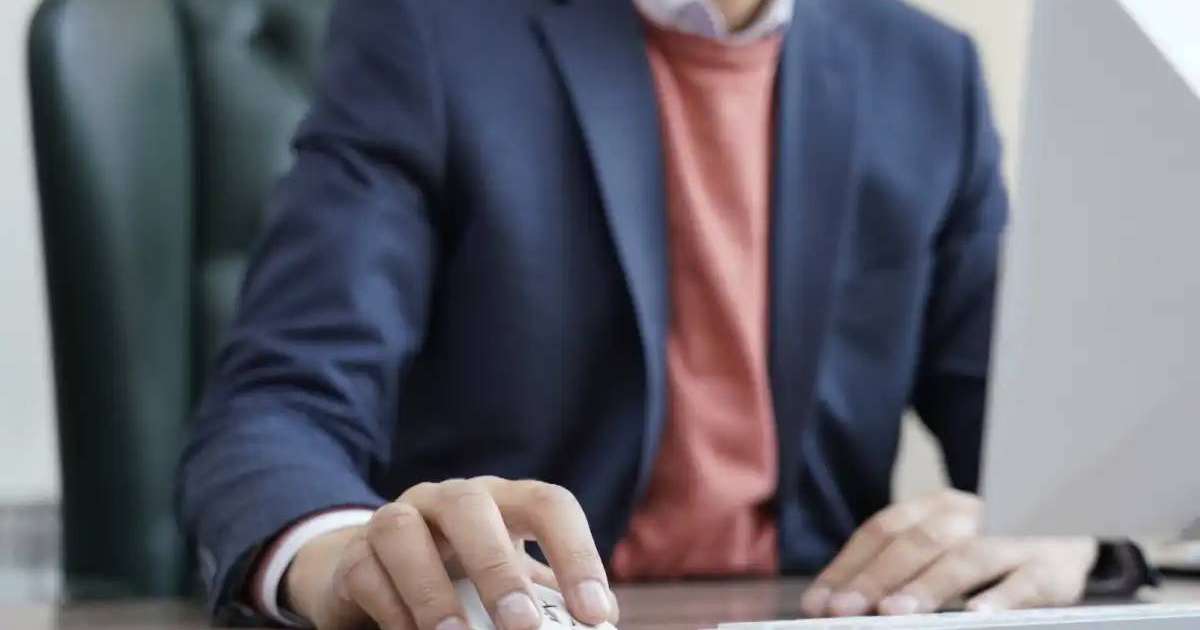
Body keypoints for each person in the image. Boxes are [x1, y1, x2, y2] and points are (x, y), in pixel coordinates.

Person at [177, 0, 1155, 627]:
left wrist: (1070, 530)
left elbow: (1040, 442)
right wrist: (341, 554)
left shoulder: (926, 70)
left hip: (814, 616)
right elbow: (274, 408)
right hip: (522, 615)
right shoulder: (431, 31)